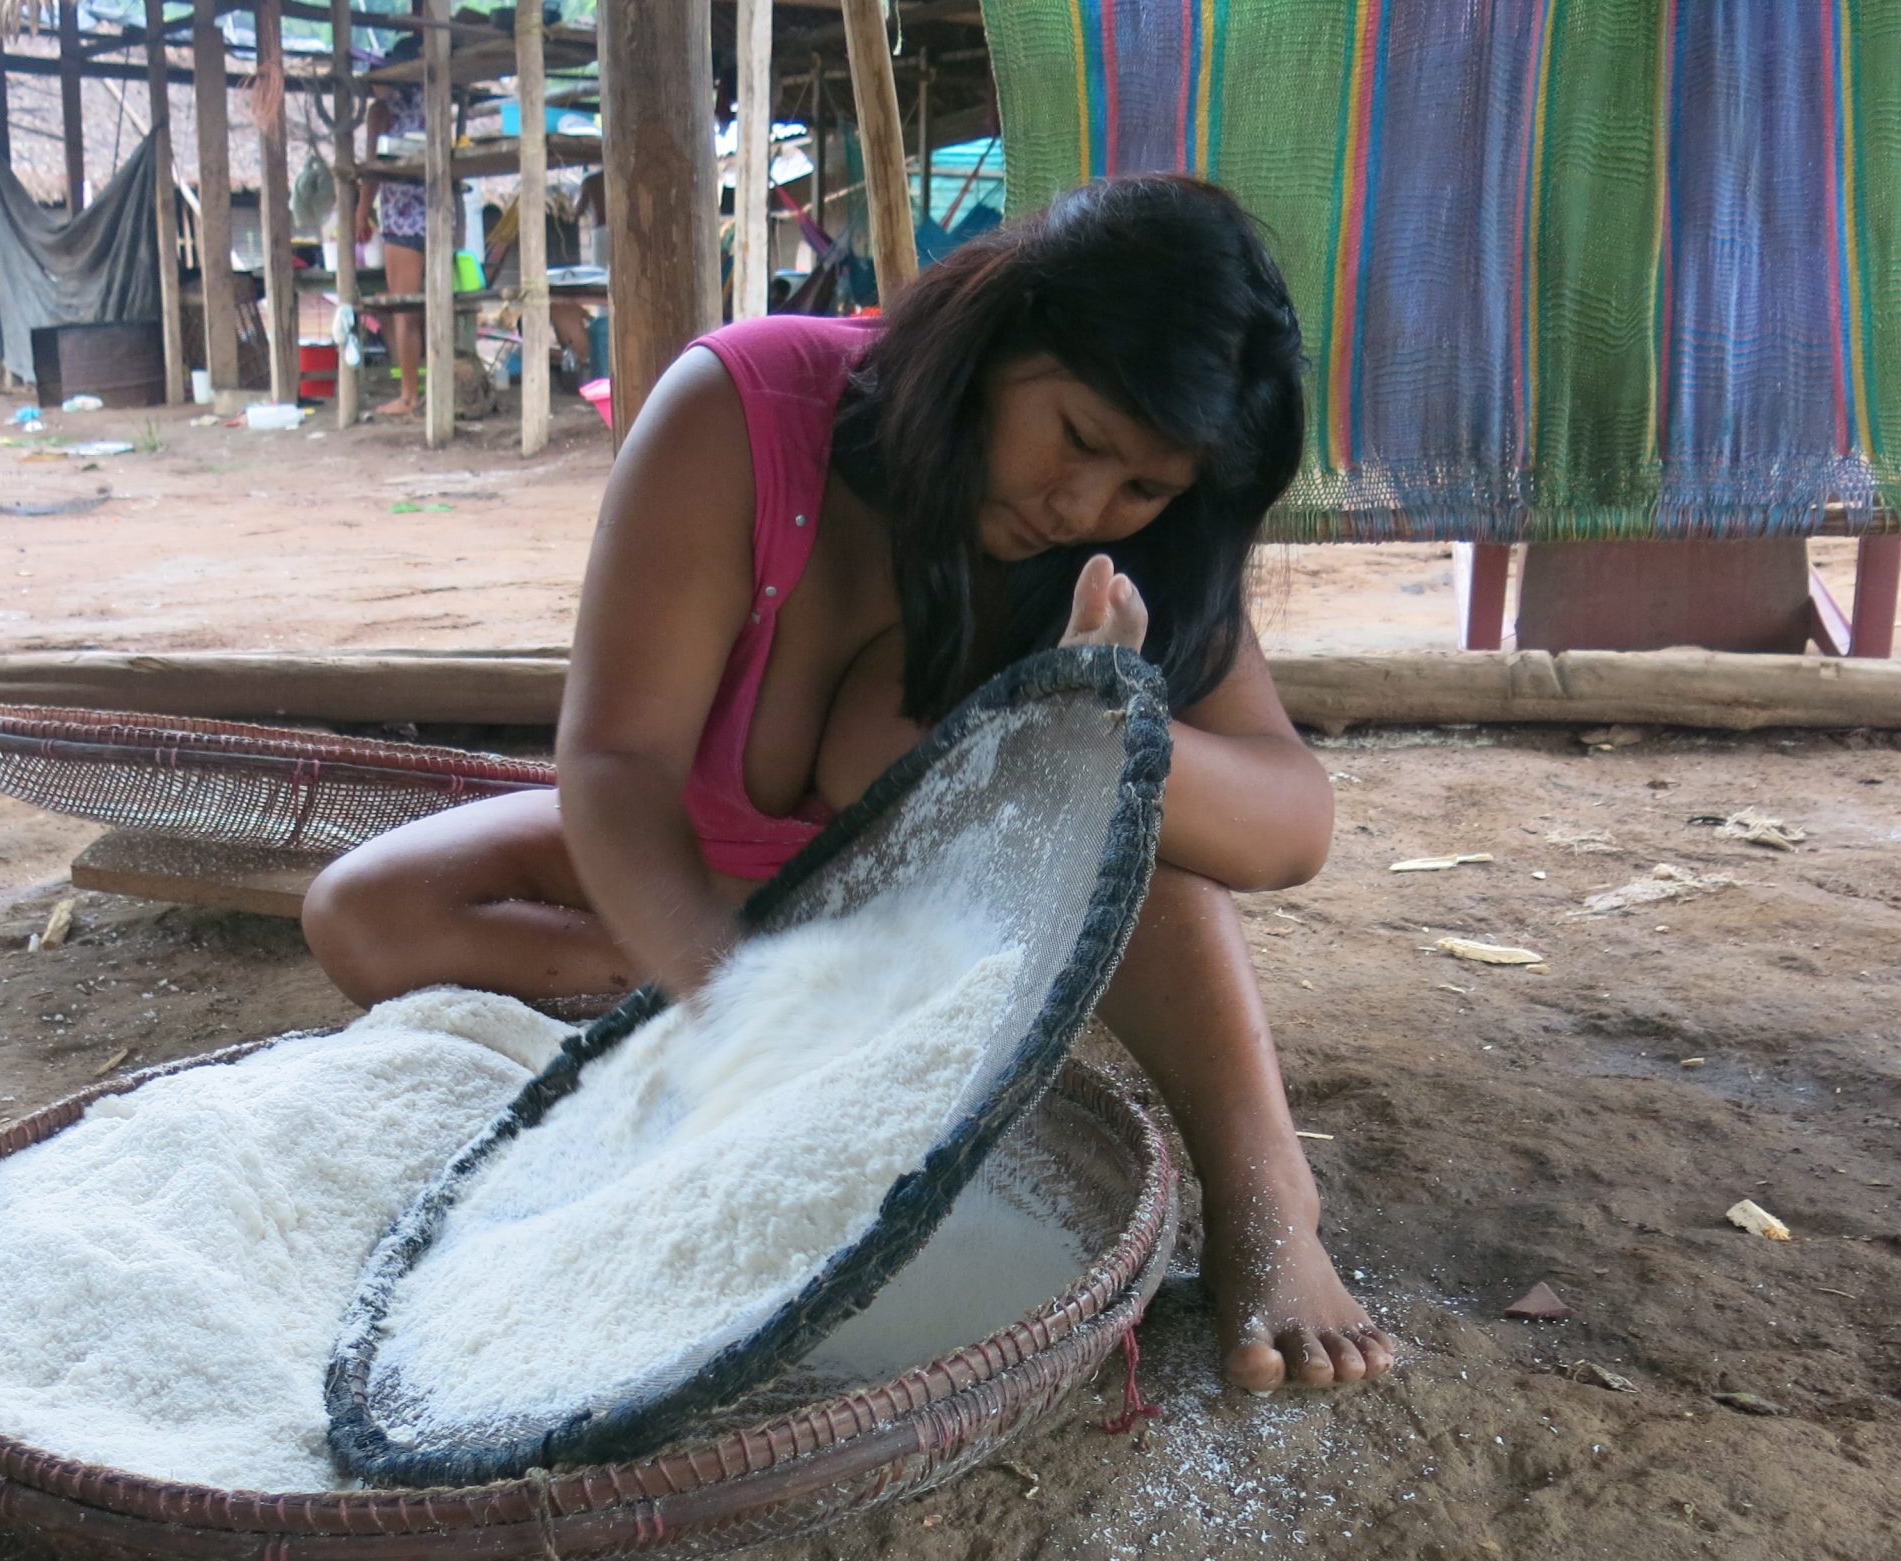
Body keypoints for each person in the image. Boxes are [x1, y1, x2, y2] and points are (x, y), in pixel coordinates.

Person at [304, 175, 1396, 1394]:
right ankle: (691, 1004)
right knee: (366, 911)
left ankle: (1269, 1204)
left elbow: (1290, 825)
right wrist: (741, 1008)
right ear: (1000, 337)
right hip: (717, 875)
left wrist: (1088, 720)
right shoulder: (743, 409)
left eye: (1142, 486)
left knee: (1137, 829)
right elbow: (614, 764)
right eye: (1077, 439)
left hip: (937, 920)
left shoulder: (1142, 544)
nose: (1084, 504)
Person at [358, 81, 428, 419]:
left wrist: (361, 211)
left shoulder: (381, 111)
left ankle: (409, 395)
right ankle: (424, 385)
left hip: (402, 219)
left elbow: (373, 166)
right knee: (427, 308)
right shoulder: (434, 98)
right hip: (440, 215)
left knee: (403, 309)